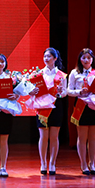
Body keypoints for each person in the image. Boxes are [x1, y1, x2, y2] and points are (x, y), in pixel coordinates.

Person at [26, 48, 67, 176]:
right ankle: (43, 163)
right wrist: (32, 91)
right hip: (42, 107)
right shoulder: (37, 75)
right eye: (45, 56)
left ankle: (52, 163)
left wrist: (60, 92)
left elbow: (65, 93)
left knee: (54, 137)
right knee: (43, 137)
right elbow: (30, 90)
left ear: (55, 58)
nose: (46, 59)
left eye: (49, 56)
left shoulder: (61, 75)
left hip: (56, 106)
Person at [67, 48, 95, 175]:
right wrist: (79, 92)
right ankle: (83, 164)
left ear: (92, 59)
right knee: (82, 137)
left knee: (93, 137)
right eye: (83, 57)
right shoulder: (74, 73)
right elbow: (68, 91)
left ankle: (92, 163)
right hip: (81, 105)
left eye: (89, 58)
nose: (86, 60)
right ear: (80, 59)